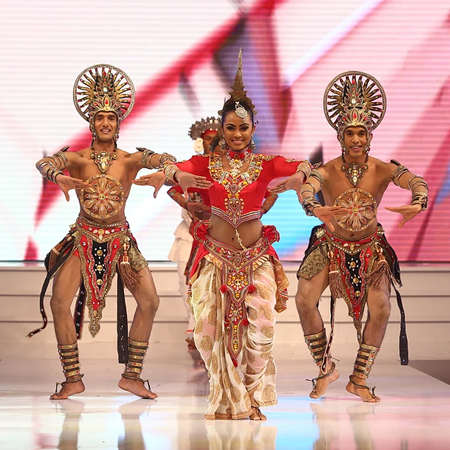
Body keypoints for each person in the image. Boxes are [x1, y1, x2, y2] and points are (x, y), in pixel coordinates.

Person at [134, 50, 311, 420]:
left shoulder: (266, 164)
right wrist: (175, 175)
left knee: (261, 331)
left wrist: (300, 178)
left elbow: (306, 165)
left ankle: (251, 395)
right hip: (214, 257)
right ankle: (227, 398)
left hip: (254, 258)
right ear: (223, 128)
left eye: (243, 128)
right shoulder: (206, 163)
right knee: (207, 334)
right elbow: (172, 165)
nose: (236, 134)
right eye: (230, 127)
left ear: (253, 129)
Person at [28, 64, 176, 400]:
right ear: (91, 122)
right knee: (59, 302)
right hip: (82, 239)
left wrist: (163, 172)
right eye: (99, 117)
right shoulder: (78, 158)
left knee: (150, 301)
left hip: (120, 242)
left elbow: (166, 158)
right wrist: (57, 177)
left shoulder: (130, 159)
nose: (105, 123)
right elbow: (45, 163)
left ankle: (132, 376)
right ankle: (72, 378)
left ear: (119, 122)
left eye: (111, 117)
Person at [295, 71, 428, 402]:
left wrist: (419, 202)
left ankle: (358, 378)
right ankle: (325, 368)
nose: (356, 139)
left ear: (370, 136)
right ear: (341, 136)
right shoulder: (325, 170)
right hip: (330, 246)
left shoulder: (383, 168)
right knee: (302, 300)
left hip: (370, 248)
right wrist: (314, 207)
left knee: (381, 308)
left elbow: (416, 181)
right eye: (350, 133)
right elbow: (307, 188)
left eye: (362, 133)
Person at [167, 117, 219, 350]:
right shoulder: (194, 165)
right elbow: (172, 189)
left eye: (217, 140)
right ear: (202, 141)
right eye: (209, 139)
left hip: (220, 234)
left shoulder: (231, 169)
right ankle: (194, 324)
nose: (213, 144)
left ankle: (211, 329)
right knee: (185, 280)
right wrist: (186, 204)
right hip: (190, 233)